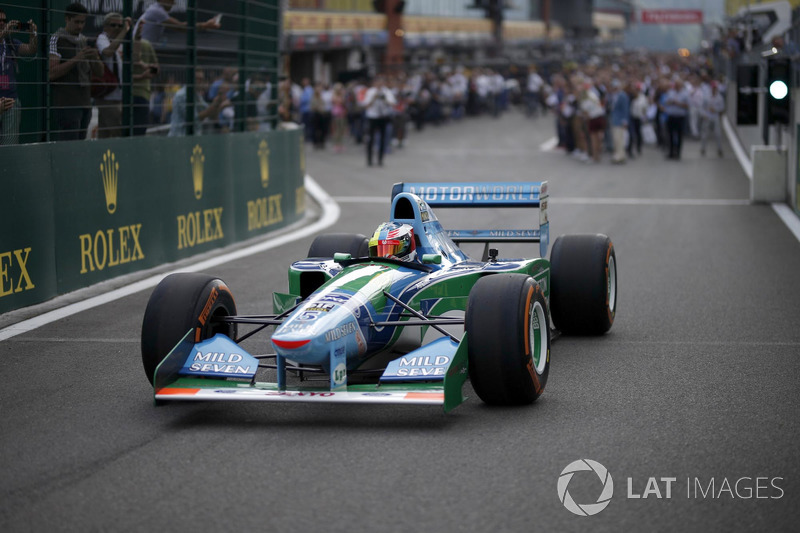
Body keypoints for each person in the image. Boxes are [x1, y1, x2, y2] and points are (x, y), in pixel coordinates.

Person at [49, 2, 103, 141]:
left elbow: (100, 72)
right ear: (67, 19)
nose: (80, 26)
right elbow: (51, 73)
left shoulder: (84, 41)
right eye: (76, 22)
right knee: (69, 143)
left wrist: (94, 57)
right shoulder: (57, 39)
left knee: (80, 143)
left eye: (83, 22)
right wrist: (77, 58)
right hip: (66, 102)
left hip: (85, 101)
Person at [0, 9, 37, 145]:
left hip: (10, 99)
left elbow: (30, 50)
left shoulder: (9, 42)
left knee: (9, 144)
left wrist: (33, 34)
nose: (2, 23)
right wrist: (4, 33)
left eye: (4, 20)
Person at [95, 12, 131, 138]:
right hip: (107, 95)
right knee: (118, 131)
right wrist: (123, 32)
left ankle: (102, 155)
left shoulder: (120, 41)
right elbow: (108, 52)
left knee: (105, 133)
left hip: (119, 95)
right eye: (113, 25)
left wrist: (131, 29)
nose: (116, 28)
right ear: (105, 26)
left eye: (119, 26)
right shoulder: (102, 38)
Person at [168, 69, 230, 136]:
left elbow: (210, 113)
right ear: (190, 79)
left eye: (201, 79)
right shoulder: (182, 95)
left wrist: (219, 99)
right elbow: (195, 118)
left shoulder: (196, 95)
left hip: (192, 138)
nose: (200, 82)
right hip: (179, 138)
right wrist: (215, 103)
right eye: (198, 79)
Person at [137, 0, 220, 46]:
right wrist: (206, 25)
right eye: (171, 0)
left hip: (142, 48)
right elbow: (181, 27)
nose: (174, 3)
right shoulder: (157, 11)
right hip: (139, 49)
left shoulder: (156, 10)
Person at [132, 18, 159, 135]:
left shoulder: (120, 44)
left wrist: (145, 70)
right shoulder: (146, 44)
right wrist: (147, 72)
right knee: (140, 132)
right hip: (142, 93)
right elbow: (156, 69)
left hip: (127, 94)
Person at [363, 76, 395, 167]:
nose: (380, 85)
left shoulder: (387, 91)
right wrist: (374, 98)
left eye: (382, 82)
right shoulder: (370, 92)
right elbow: (366, 105)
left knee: (383, 138)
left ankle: (380, 159)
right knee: (370, 139)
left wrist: (384, 99)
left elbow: (392, 103)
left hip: (383, 117)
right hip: (373, 117)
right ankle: (369, 160)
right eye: (378, 83)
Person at [663, 80, 689, 160]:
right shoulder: (670, 92)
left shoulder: (685, 94)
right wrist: (671, 102)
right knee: (670, 135)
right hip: (671, 116)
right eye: (676, 85)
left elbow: (687, 105)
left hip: (680, 117)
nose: (677, 86)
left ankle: (678, 152)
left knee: (679, 135)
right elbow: (665, 102)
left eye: (678, 85)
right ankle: (671, 152)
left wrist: (678, 103)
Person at [700, 82, 725, 158]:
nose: (714, 89)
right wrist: (704, 114)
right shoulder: (707, 96)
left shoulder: (719, 97)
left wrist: (716, 110)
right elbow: (702, 106)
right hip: (707, 116)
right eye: (713, 88)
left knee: (718, 133)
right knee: (705, 133)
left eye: (715, 88)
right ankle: (703, 148)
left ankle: (719, 148)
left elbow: (722, 108)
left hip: (715, 116)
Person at [608, 79, 629, 164]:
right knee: (616, 139)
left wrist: (625, 121)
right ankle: (618, 154)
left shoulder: (622, 95)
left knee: (619, 139)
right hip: (614, 119)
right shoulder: (613, 95)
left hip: (619, 120)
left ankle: (621, 155)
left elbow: (625, 109)